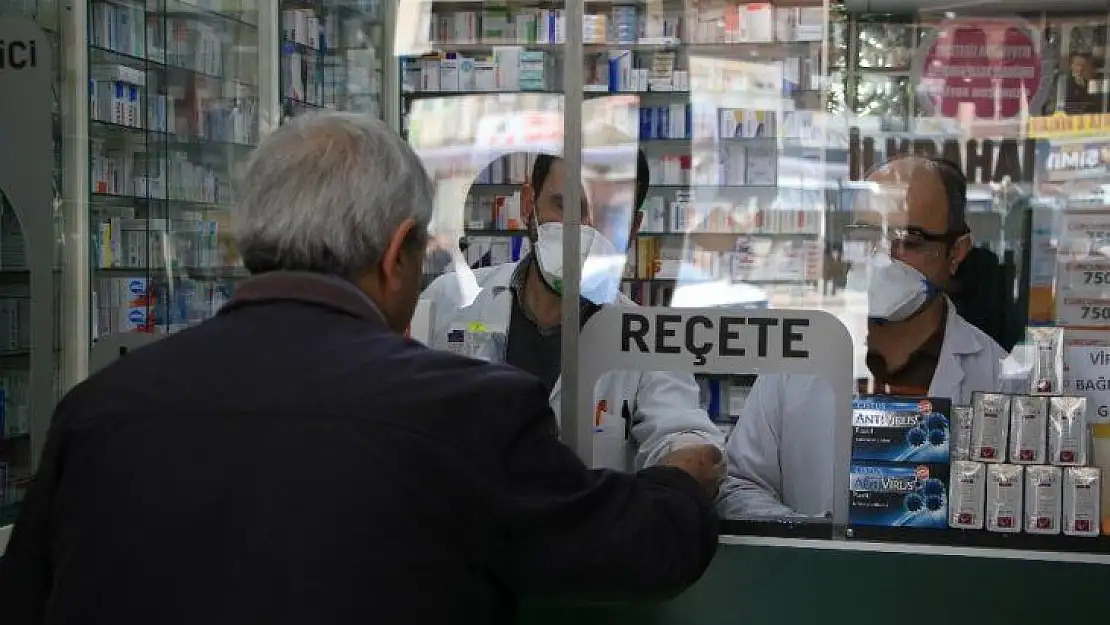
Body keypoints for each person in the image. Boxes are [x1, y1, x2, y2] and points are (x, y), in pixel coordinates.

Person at [0, 112, 723, 625]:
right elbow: (636, 547)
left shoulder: (98, 408)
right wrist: (683, 487)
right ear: (396, 252)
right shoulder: (464, 408)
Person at [719, 155, 1026, 519]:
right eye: (866, 234)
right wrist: (818, 542)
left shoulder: (1000, 378)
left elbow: (1015, 509)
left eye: (909, 239)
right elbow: (738, 485)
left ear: (955, 252)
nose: (882, 258)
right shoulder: (797, 359)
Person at [421, 150, 727, 472]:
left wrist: (684, 463)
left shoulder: (646, 340)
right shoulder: (449, 300)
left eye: (610, 216)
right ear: (529, 205)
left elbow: (683, 435)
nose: (584, 230)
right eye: (565, 206)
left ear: (634, 227)